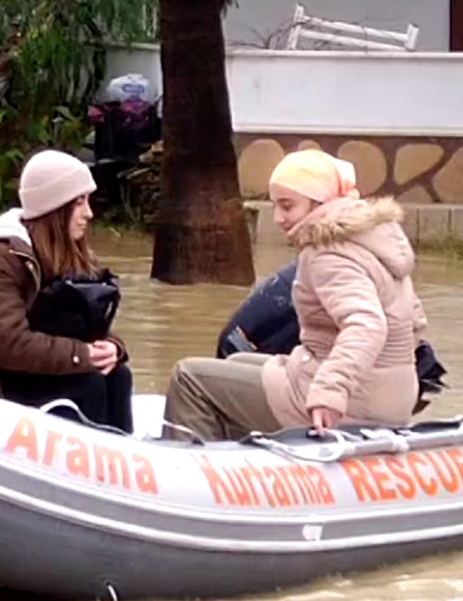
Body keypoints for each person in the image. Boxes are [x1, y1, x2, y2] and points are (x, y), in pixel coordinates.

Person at [165, 150, 426, 441]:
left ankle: (198, 471)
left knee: (188, 376)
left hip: (355, 403)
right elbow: (414, 320)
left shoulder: (328, 252)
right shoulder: (374, 241)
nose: (278, 218)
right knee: (237, 362)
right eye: (275, 205)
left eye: (288, 206)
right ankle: (246, 455)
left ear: (322, 201)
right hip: (394, 395)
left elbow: (366, 325)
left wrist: (330, 392)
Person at [0, 150, 132, 432]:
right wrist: (82, 355)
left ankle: (122, 461)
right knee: (88, 384)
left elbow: (87, 327)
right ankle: (77, 469)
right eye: (79, 202)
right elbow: (6, 345)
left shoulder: (75, 254)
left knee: (119, 376)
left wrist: (113, 348)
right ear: (56, 207)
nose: (89, 214)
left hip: (38, 367)